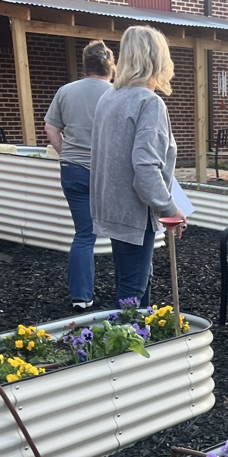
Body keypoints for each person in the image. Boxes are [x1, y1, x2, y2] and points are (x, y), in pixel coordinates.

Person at [89, 25, 185, 308]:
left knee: (134, 284)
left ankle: (144, 341)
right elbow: (145, 169)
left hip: (113, 207)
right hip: (134, 211)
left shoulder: (110, 97)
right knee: (131, 297)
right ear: (158, 59)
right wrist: (171, 208)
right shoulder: (148, 102)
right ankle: (130, 348)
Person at [44, 40, 116, 311]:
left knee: (84, 234)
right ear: (111, 65)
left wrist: (67, 154)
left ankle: (81, 297)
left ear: (85, 64)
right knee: (121, 231)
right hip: (107, 173)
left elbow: (51, 128)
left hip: (73, 170)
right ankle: (129, 293)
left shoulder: (66, 91)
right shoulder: (117, 93)